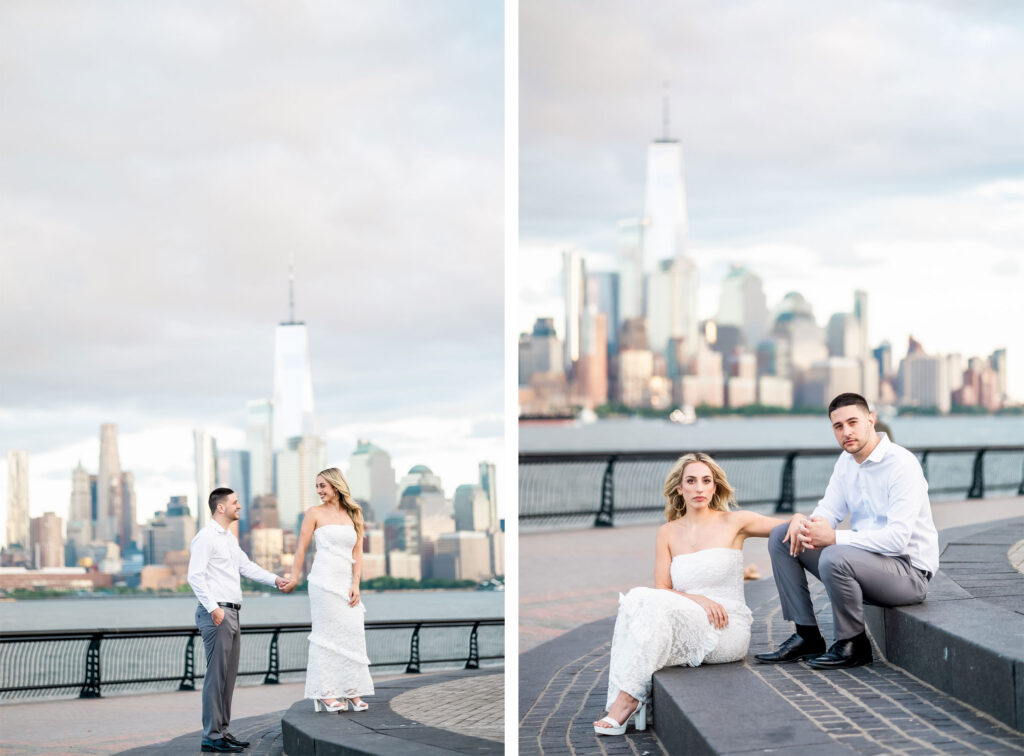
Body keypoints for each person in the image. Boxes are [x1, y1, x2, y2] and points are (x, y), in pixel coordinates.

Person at [594, 453, 794, 736]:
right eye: (691, 481)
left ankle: (627, 701)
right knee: (640, 598)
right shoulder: (667, 532)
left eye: (706, 481)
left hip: (726, 627)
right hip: (688, 615)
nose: (699, 488)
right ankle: (628, 699)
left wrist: (799, 518)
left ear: (715, 487)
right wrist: (697, 599)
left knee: (645, 611)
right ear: (680, 488)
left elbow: (788, 527)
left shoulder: (734, 522)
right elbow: (662, 589)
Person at [755, 392, 938, 670]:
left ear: (870, 420)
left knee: (834, 555)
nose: (846, 432)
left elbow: (897, 539)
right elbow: (827, 512)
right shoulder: (845, 463)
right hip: (867, 565)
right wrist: (801, 521)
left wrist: (835, 537)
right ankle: (807, 636)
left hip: (909, 574)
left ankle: (853, 644)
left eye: (853, 422)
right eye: (838, 426)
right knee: (783, 537)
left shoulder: (902, 464)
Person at [188, 487, 290, 753]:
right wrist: (213, 608)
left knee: (228, 677)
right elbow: (195, 576)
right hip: (217, 613)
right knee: (216, 676)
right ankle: (211, 735)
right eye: (235, 502)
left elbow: (247, 567)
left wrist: (275, 580)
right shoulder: (206, 537)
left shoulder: (230, 539)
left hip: (232, 611)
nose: (239, 506)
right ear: (220, 507)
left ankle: (221, 731)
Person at [284, 467, 374, 712]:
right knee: (326, 636)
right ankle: (326, 693)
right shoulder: (313, 513)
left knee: (352, 633)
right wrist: (293, 577)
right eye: (317, 487)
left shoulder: (355, 513)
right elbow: (301, 549)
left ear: (336, 485)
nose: (319, 491)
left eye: (323, 485)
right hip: (323, 582)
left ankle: (352, 690)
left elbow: (358, 552)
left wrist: (356, 583)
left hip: (346, 583)